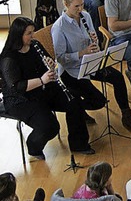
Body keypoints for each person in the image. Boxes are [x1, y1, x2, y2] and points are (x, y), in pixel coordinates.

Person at [52, 0, 131, 133]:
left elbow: (93, 42)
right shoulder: (59, 27)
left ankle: (127, 117)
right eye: (76, 6)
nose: (80, 9)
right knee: (99, 102)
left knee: (118, 78)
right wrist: (82, 52)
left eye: (82, 4)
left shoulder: (85, 16)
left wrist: (94, 42)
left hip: (91, 62)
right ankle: (77, 109)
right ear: (66, 5)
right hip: (71, 71)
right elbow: (61, 58)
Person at [0, 17, 94, 159]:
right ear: (18, 35)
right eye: (29, 33)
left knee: (74, 101)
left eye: (33, 32)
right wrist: (42, 80)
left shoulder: (35, 45)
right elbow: (17, 87)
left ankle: (78, 144)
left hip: (43, 89)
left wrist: (50, 66)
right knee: (50, 127)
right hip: (22, 100)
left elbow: (48, 65)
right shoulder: (9, 59)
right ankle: (33, 146)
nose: (33, 36)